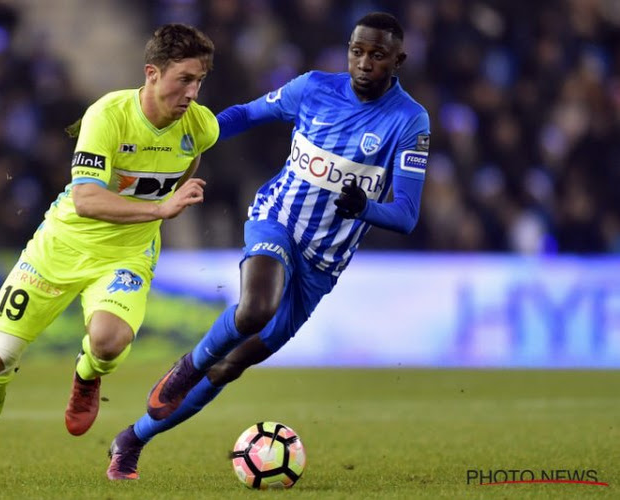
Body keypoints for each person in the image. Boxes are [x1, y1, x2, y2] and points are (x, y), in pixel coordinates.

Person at [106, 12, 431, 480]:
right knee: (256, 307)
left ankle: (131, 439)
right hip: (276, 221)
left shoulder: (409, 121)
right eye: (357, 51)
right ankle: (185, 367)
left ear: (397, 60)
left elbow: (405, 214)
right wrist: (188, 140)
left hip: (322, 265)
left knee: (230, 367)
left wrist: (364, 207)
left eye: (377, 56)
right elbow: (245, 115)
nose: (364, 63)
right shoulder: (313, 88)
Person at [0, 24, 219, 489]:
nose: (193, 92)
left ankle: (87, 374)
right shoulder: (107, 115)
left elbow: (188, 163)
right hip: (61, 246)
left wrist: (163, 204)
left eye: (199, 80)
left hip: (127, 253)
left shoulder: (200, 127)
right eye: (184, 79)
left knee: (109, 341)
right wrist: (160, 207)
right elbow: (86, 199)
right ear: (151, 73)